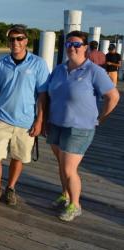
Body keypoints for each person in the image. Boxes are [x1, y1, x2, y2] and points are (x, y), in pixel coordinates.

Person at [46, 31, 120, 221]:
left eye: (77, 44)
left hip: (79, 128)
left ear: (85, 48)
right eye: (69, 44)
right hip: (56, 124)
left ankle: (75, 204)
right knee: (62, 165)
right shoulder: (59, 69)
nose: (72, 47)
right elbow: (47, 94)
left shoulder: (94, 71)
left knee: (70, 169)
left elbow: (113, 96)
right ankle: (65, 194)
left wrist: (101, 118)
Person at [0, 25, 49, 207]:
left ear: (26, 41)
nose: (16, 42)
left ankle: (11, 188)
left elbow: (43, 95)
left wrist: (40, 120)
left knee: (18, 157)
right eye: (12, 39)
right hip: (1, 118)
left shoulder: (38, 63)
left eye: (19, 38)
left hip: (26, 121)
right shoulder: (1, 63)